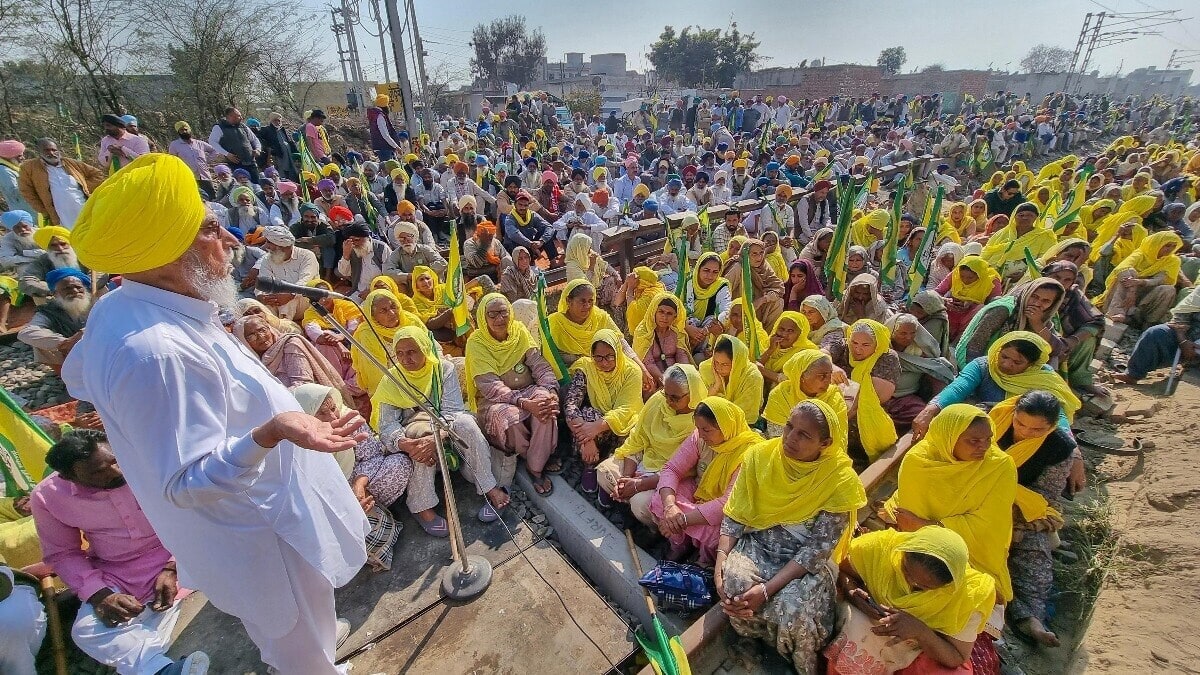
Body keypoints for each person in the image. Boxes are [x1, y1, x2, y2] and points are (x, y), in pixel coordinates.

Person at [63, 154, 368, 673]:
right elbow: (184, 481)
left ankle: (315, 649)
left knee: (306, 625)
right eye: (207, 229)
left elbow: (79, 374)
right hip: (260, 533)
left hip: (272, 512)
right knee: (294, 641)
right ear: (161, 254)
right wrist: (274, 430)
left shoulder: (129, 307)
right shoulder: (152, 351)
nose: (229, 239)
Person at [30, 430, 211, 675]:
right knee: (86, 631)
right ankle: (164, 670)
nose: (115, 471)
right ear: (69, 476)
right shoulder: (47, 497)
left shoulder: (145, 461)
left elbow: (194, 514)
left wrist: (173, 566)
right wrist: (99, 595)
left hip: (183, 552)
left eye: (114, 460)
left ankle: (154, 663)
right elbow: (63, 554)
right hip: (117, 573)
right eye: (98, 471)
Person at [718, 398, 867, 673]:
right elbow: (735, 516)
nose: (790, 438)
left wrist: (766, 589)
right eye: (789, 427)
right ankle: (755, 640)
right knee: (734, 585)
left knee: (793, 606)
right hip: (760, 544)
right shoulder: (761, 456)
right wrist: (720, 566)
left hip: (804, 563)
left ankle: (797, 662)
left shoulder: (839, 481)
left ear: (824, 444)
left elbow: (816, 551)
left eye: (804, 434)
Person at [882, 404, 1016, 655]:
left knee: (973, 603)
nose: (984, 447)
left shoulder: (1000, 466)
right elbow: (910, 533)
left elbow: (989, 527)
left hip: (973, 557)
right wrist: (920, 530)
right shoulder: (919, 462)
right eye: (973, 441)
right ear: (948, 439)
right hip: (923, 556)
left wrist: (928, 527)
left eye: (988, 439)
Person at [374, 325, 512, 533]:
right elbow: (387, 425)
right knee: (418, 438)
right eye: (400, 354)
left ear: (424, 348)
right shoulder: (391, 378)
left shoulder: (442, 369)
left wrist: (436, 436)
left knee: (466, 423)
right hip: (414, 433)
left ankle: (488, 486)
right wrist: (406, 443)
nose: (405, 359)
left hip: (445, 424)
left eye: (412, 352)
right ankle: (422, 505)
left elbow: (453, 410)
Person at [825, 527, 997, 673]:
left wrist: (920, 631)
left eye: (923, 588)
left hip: (921, 643)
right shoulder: (880, 547)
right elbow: (845, 572)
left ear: (948, 586)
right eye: (906, 571)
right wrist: (852, 592)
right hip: (865, 617)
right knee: (854, 632)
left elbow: (956, 657)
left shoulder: (968, 596)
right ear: (904, 552)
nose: (910, 583)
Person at [988, 392, 1076, 647]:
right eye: (1021, 423)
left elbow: (1043, 496)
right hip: (971, 494)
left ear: (1052, 426)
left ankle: (1030, 619)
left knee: (1033, 555)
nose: (1026, 432)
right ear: (1013, 413)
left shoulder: (1059, 448)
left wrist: (1009, 511)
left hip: (1021, 508)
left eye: (1037, 429)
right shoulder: (991, 420)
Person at [464, 293, 560, 496]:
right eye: (492, 314)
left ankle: (535, 464)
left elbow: (539, 365)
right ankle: (536, 456)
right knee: (510, 418)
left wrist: (551, 390)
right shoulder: (477, 343)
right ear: (483, 317)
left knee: (545, 404)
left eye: (503, 312)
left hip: (527, 390)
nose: (499, 319)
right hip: (494, 400)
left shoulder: (519, 331)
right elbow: (490, 386)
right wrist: (524, 403)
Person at [650, 397, 763, 563]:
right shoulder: (699, 438)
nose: (701, 435)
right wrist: (670, 507)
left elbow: (726, 504)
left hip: (727, 512)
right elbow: (672, 469)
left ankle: (702, 562)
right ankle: (679, 545)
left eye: (707, 430)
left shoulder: (750, 454)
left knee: (717, 534)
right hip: (700, 494)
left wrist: (681, 519)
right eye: (698, 429)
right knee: (662, 499)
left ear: (726, 427)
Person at [914, 332, 1081, 441]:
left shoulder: (1043, 380)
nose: (1007, 364)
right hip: (983, 432)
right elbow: (958, 388)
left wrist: (1074, 453)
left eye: (1017, 362)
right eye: (1004, 356)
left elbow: (1056, 415)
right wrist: (930, 409)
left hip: (1024, 436)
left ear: (1032, 365)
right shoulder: (983, 366)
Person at [597, 364, 705, 523]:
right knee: (604, 472)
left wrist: (638, 485)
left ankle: (652, 529)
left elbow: (688, 469)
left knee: (641, 503)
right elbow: (637, 439)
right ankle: (627, 502)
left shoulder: (701, 420)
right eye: (665, 393)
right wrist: (626, 478)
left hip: (675, 475)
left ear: (693, 394)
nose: (668, 401)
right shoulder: (658, 401)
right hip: (646, 457)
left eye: (674, 397)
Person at [565, 329, 645, 495]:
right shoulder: (586, 368)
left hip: (621, 425)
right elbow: (571, 403)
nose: (604, 363)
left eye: (610, 356)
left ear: (618, 352)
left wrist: (596, 427)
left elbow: (626, 409)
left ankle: (610, 475)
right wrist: (587, 439)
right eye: (598, 357)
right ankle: (590, 465)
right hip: (594, 430)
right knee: (587, 414)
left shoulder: (631, 371)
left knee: (634, 429)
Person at [830, 319, 900, 466]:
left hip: (862, 417)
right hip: (835, 407)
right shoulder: (844, 346)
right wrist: (831, 367)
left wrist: (835, 421)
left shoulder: (887, 357)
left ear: (877, 344)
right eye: (854, 343)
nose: (858, 349)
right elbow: (818, 356)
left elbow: (875, 397)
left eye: (866, 345)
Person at [954, 278, 1066, 369]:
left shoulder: (1042, 317)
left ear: (1053, 304)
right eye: (1034, 296)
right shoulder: (1004, 309)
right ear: (1027, 293)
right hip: (981, 363)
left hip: (1013, 368)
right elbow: (976, 344)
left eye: (1046, 301)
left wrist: (1037, 324)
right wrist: (975, 372)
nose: (1037, 303)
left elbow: (1057, 349)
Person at [1041, 261, 1106, 396]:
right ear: (1047, 275)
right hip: (1040, 338)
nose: (1061, 282)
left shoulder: (1073, 294)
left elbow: (1096, 321)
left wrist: (1072, 341)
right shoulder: (1035, 291)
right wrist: (1055, 343)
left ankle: (1080, 380)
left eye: (1067, 280)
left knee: (1089, 336)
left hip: (1063, 342)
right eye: (1057, 277)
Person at [1095, 230, 1183, 327]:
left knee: (1169, 289)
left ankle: (1149, 322)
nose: (1170, 249)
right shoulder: (1141, 253)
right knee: (1129, 273)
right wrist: (1132, 290)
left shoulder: (1172, 260)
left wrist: (1140, 282)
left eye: (1173, 246)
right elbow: (1121, 268)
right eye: (1167, 245)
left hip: (1145, 293)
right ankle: (1117, 311)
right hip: (1123, 292)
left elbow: (1160, 280)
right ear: (1157, 244)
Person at [1117, 283, 1200, 384]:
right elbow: (1181, 316)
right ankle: (1133, 374)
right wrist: (1183, 341)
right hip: (1190, 337)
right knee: (1155, 333)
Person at [17, 138, 105, 229]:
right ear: (39, 152)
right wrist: (43, 209)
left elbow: (97, 174)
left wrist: (85, 188)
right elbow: (26, 191)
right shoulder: (29, 168)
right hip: (59, 213)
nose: (51, 153)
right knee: (67, 235)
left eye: (54, 150)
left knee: (91, 229)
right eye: (46, 150)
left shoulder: (71, 163)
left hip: (83, 206)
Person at [761, 349, 847, 439]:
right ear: (802, 376)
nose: (828, 380)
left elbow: (838, 438)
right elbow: (778, 438)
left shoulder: (834, 397)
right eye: (822, 376)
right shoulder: (781, 394)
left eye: (830, 374)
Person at [18, 267, 91, 367]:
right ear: (55, 294)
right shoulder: (48, 311)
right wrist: (64, 342)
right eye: (67, 288)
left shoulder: (98, 303)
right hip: (71, 352)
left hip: (98, 347)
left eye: (78, 287)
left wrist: (83, 332)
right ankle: (67, 377)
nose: (74, 291)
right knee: (40, 343)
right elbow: (26, 332)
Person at [254, 224, 321, 321]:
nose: (266, 246)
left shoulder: (307, 256)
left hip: (306, 300)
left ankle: (287, 327)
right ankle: (273, 327)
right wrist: (261, 296)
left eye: (269, 242)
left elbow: (305, 281)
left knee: (289, 301)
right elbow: (263, 282)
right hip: (277, 300)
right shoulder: (267, 259)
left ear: (282, 246)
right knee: (259, 306)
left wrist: (290, 294)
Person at [980, 203, 1057, 282]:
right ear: (1014, 217)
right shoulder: (1002, 233)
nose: (1025, 218)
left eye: (1030, 215)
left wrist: (1025, 274)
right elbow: (986, 252)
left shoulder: (1045, 236)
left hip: (1025, 279)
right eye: (1021, 215)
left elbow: (1046, 260)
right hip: (991, 275)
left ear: (1036, 218)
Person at [700, 335, 765, 425]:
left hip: (740, 424)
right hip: (709, 420)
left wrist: (711, 398)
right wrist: (715, 387)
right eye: (716, 362)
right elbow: (698, 404)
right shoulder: (706, 369)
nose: (719, 368)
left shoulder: (752, 376)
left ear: (736, 362)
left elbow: (743, 413)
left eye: (725, 364)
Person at [631, 291, 692, 386]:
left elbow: (682, 355)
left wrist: (685, 375)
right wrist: (664, 381)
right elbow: (648, 362)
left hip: (674, 376)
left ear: (675, 316)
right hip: (650, 377)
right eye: (661, 312)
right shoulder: (643, 332)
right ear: (654, 311)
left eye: (669, 313)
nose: (664, 317)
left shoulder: (676, 332)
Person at [724, 238, 786, 330]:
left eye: (761, 253)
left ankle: (767, 337)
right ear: (746, 254)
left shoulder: (764, 266)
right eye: (754, 254)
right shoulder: (738, 267)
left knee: (778, 302)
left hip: (757, 308)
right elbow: (724, 291)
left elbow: (779, 288)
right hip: (739, 310)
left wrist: (762, 300)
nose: (759, 258)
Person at [937, 256, 1002, 340]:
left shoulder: (991, 281)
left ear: (979, 275)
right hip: (951, 309)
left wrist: (973, 304)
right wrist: (945, 301)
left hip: (974, 315)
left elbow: (994, 304)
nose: (965, 280)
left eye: (970, 278)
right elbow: (938, 291)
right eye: (962, 276)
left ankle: (960, 340)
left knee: (979, 309)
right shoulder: (955, 274)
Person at [683, 252, 733, 353]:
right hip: (687, 325)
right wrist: (687, 327)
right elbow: (677, 307)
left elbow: (726, 310)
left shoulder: (721, 285)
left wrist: (705, 331)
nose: (710, 276)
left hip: (708, 330)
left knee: (715, 322)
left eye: (715, 272)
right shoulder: (688, 282)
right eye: (706, 270)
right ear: (698, 269)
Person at [757, 311, 819, 388]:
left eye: (790, 331)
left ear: (800, 334)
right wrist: (770, 350)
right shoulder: (770, 342)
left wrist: (763, 371)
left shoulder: (807, 352)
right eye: (781, 329)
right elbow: (756, 365)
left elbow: (793, 381)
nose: (784, 334)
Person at [383, 219, 447, 288]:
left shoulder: (425, 249)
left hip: (430, 284)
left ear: (414, 238)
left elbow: (442, 262)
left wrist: (424, 273)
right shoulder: (396, 253)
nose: (405, 241)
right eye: (402, 239)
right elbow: (387, 271)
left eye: (408, 238)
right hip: (411, 288)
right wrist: (409, 276)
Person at [564, 232, 621, 309]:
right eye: (587, 247)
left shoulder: (589, 254)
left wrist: (616, 275)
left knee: (613, 280)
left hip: (599, 287)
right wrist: (591, 266)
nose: (590, 250)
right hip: (584, 294)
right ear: (580, 248)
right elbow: (583, 285)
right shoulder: (572, 266)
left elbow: (605, 265)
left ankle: (615, 307)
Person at [208, 107, 262, 183]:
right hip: (235, 164)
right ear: (229, 116)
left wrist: (258, 149)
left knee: (257, 185)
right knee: (242, 186)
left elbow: (254, 139)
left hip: (251, 162)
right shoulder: (219, 127)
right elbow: (212, 142)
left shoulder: (243, 127)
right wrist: (227, 154)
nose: (241, 118)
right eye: (238, 116)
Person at [167, 121, 219, 195]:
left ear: (189, 129)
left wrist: (207, 161)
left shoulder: (199, 143)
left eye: (186, 129)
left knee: (212, 197)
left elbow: (214, 150)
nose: (184, 131)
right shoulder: (174, 145)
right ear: (178, 132)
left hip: (205, 176)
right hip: (189, 178)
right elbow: (173, 160)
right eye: (181, 130)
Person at [0, 139, 33, 214]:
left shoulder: (12, 168)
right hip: (24, 211)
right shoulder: (3, 171)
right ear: (8, 156)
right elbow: (14, 193)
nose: (23, 158)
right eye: (20, 156)